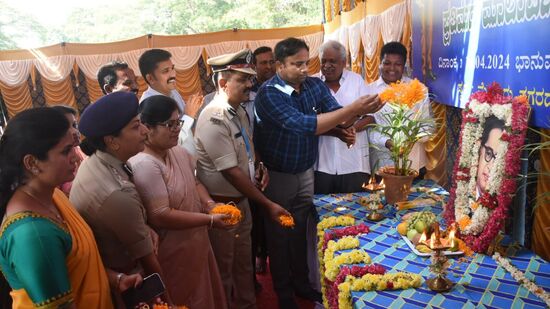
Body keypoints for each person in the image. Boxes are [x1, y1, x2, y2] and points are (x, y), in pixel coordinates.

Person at [253, 37, 383, 308]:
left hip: (305, 172)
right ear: (279, 65)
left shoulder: (312, 85)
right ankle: (284, 293)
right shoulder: (269, 93)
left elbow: (338, 114)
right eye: (296, 64)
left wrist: (353, 119)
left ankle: (302, 284)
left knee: (300, 232)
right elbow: (303, 124)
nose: (304, 69)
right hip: (277, 176)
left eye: (305, 62)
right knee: (280, 237)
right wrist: (353, 109)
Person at [0, 107, 141, 308]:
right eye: (66, 151)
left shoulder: (53, 195)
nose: (76, 156)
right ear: (32, 163)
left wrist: (116, 279)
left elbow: (73, 264)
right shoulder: (33, 234)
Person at [195, 49, 290, 309]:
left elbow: (247, 150)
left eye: (250, 79)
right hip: (222, 206)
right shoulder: (214, 118)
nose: (250, 84)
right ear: (223, 84)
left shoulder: (236, 111)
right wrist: (268, 204)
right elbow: (231, 172)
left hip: (242, 202)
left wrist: (260, 166)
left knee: (244, 268)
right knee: (224, 272)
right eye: (243, 80)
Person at [69, 92, 170, 305]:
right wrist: (170, 301)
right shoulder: (115, 193)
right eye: (135, 127)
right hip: (125, 283)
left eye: (141, 123)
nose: (144, 131)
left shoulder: (101, 161)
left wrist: (143, 227)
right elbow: (148, 259)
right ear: (112, 141)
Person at [129, 95, 229, 309]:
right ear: (147, 128)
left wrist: (210, 204)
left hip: (196, 241)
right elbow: (161, 215)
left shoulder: (177, 151)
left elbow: (195, 184)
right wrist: (209, 220)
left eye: (178, 123)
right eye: (169, 124)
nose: (176, 129)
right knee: (183, 300)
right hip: (173, 250)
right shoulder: (143, 164)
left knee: (205, 295)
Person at [314, 40, 374, 194]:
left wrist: (352, 128)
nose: (327, 65)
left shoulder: (356, 81)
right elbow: (308, 122)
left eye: (332, 61)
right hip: (321, 164)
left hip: (354, 163)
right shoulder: (312, 83)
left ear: (343, 62)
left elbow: (370, 117)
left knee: (357, 210)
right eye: (324, 61)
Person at [367, 41, 429, 177]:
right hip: (382, 165)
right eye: (387, 63)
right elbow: (369, 128)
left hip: (414, 165)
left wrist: (410, 141)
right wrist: (388, 142)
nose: (392, 68)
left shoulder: (419, 89)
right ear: (380, 63)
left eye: (398, 64)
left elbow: (426, 126)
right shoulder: (369, 91)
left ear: (404, 65)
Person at [138, 49, 203, 158]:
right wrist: (189, 115)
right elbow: (168, 139)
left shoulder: (172, 91)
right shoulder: (149, 103)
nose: (173, 74)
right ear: (150, 78)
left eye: (172, 68)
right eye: (165, 71)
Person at [51, 105, 87, 196]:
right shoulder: (53, 163)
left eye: (74, 125)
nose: (74, 131)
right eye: (65, 128)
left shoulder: (80, 151)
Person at [476, 115, 505, 196]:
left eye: (498, 160)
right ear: (480, 149)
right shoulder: (463, 190)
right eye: (488, 153)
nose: (490, 166)